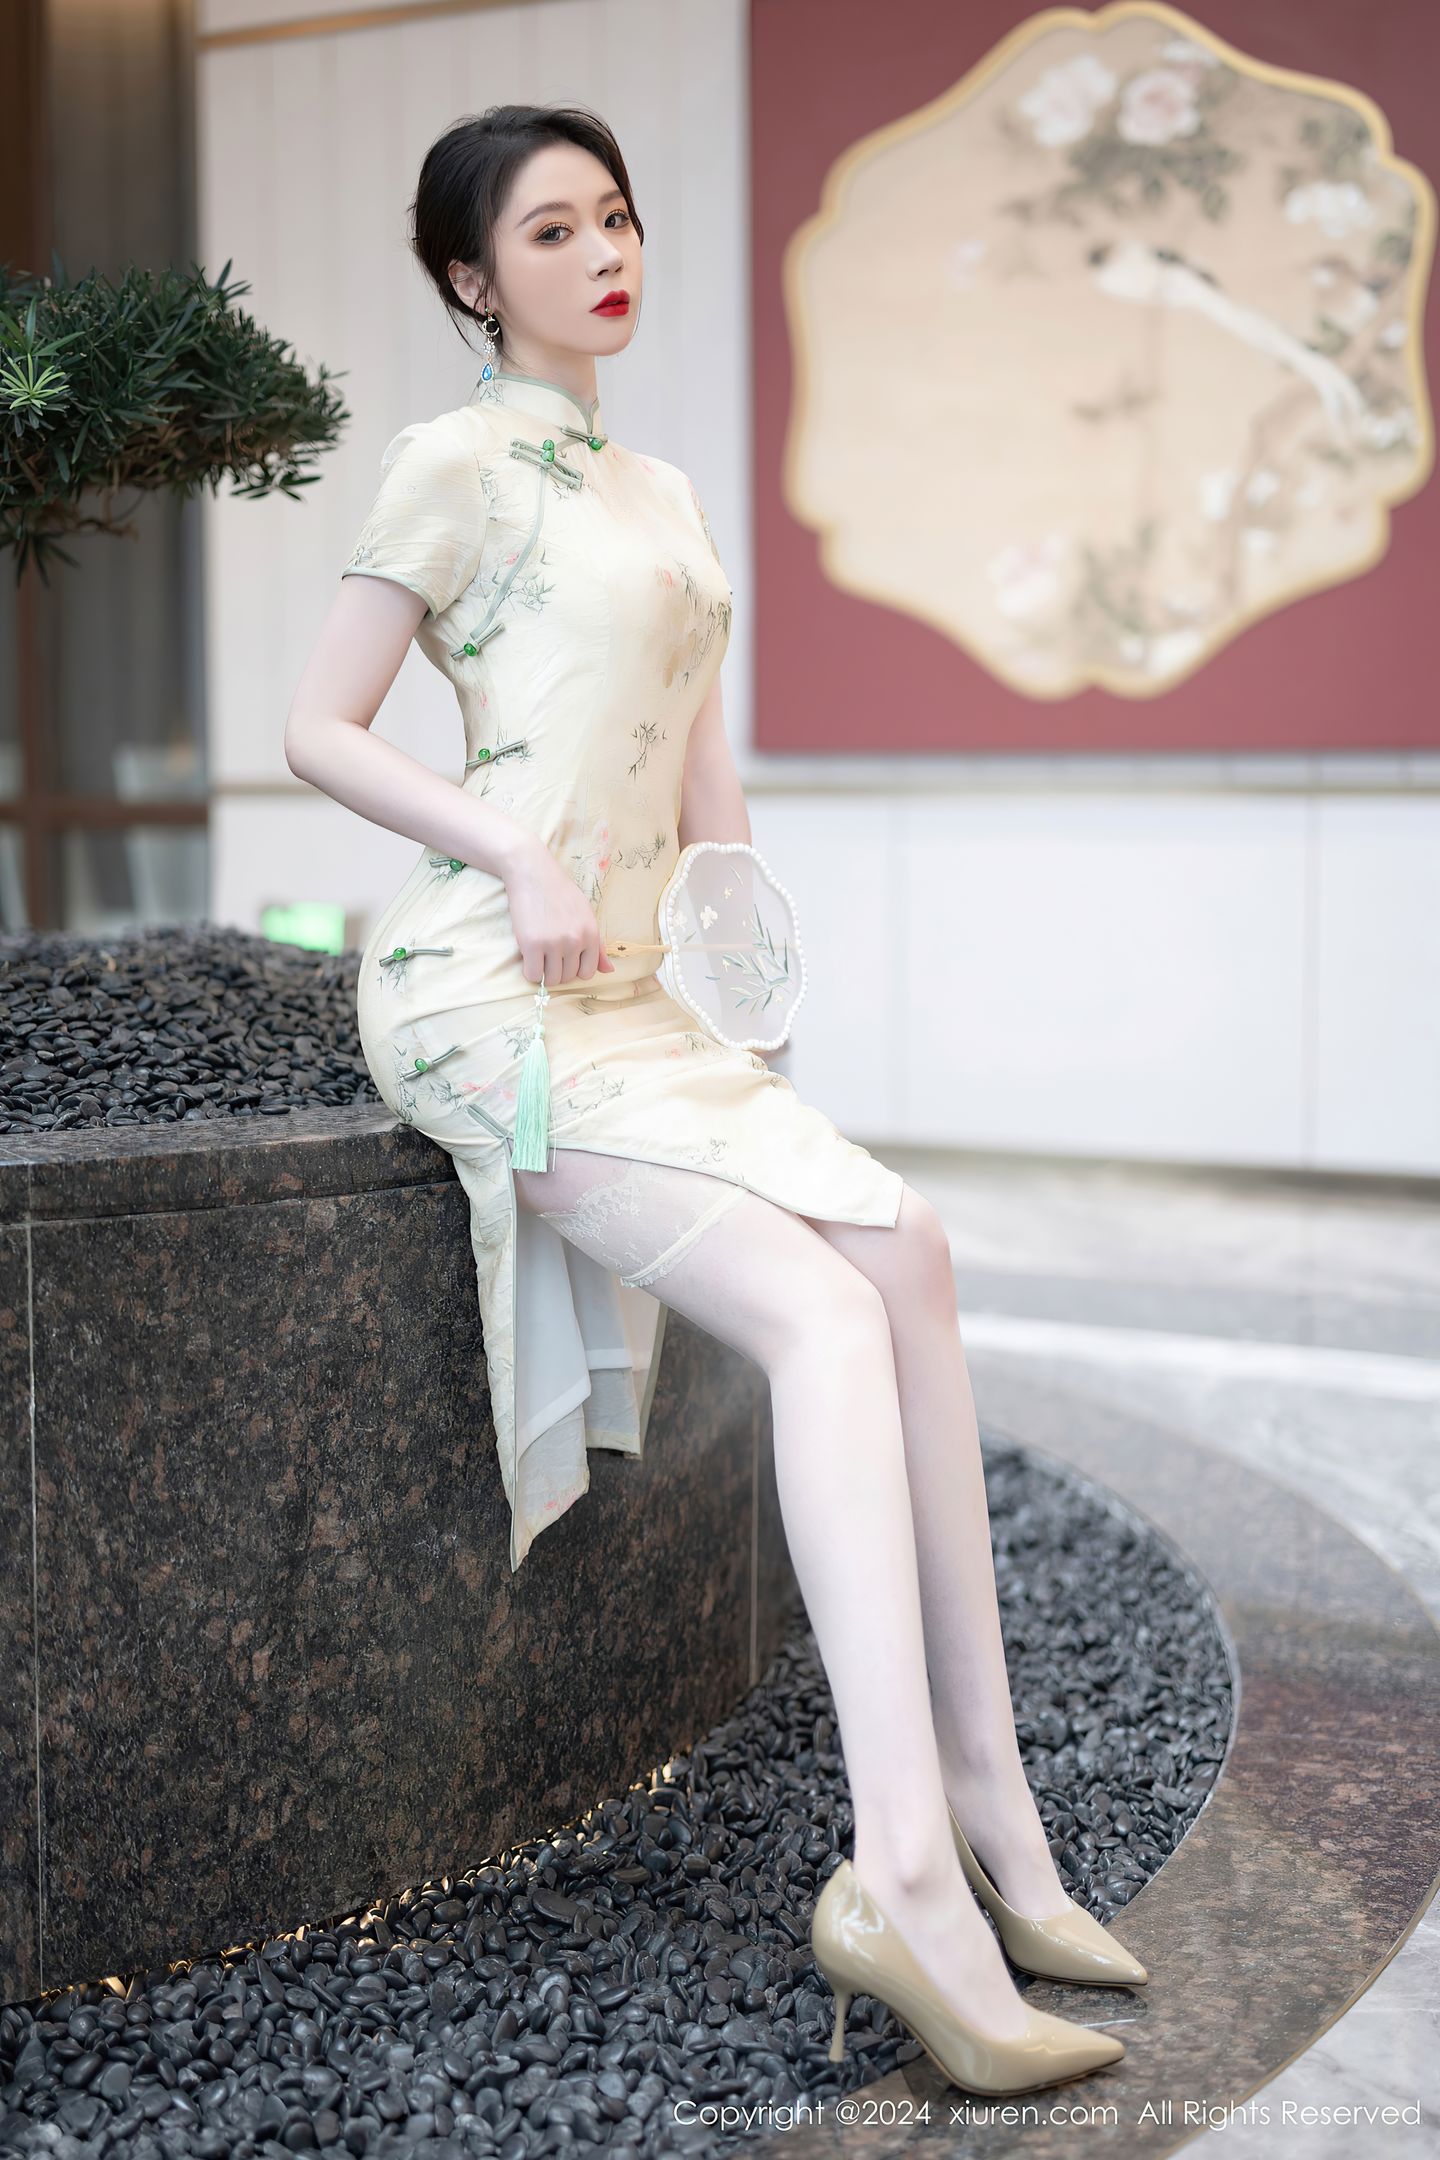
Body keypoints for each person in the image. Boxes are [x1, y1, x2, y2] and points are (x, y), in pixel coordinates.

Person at [285, 102, 1145, 2098]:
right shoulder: (453, 466)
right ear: (469, 278)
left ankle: (1000, 1826)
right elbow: (317, 725)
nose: (604, 253)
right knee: (824, 1319)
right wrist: (511, 852)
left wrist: (749, 1006)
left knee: (909, 1250)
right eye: (549, 231)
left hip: (648, 999)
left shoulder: (662, 492)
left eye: (617, 217)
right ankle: (904, 1883)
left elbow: (706, 776)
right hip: (491, 998)